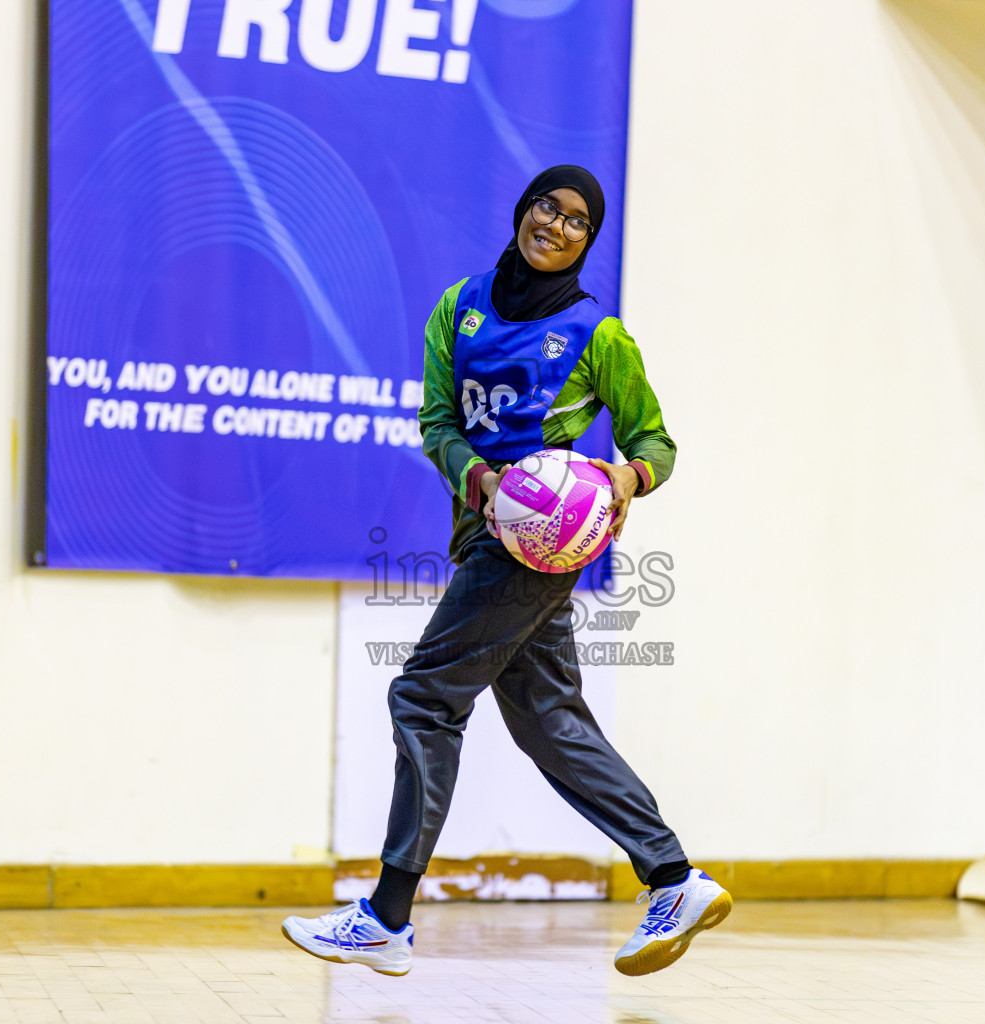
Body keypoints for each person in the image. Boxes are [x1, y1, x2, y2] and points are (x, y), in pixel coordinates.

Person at [282, 166, 731, 977]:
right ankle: (674, 878)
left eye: (577, 221)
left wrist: (626, 477)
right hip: (485, 527)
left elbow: (655, 442)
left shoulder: (599, 335)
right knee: (548, 721)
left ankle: (386, 916)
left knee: (423, 696)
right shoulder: (459, 307)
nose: (556, 225)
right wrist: (479, 478)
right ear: (524, 211)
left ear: (588, 242)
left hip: (536, 546)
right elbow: (438, 423)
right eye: (547, 207)